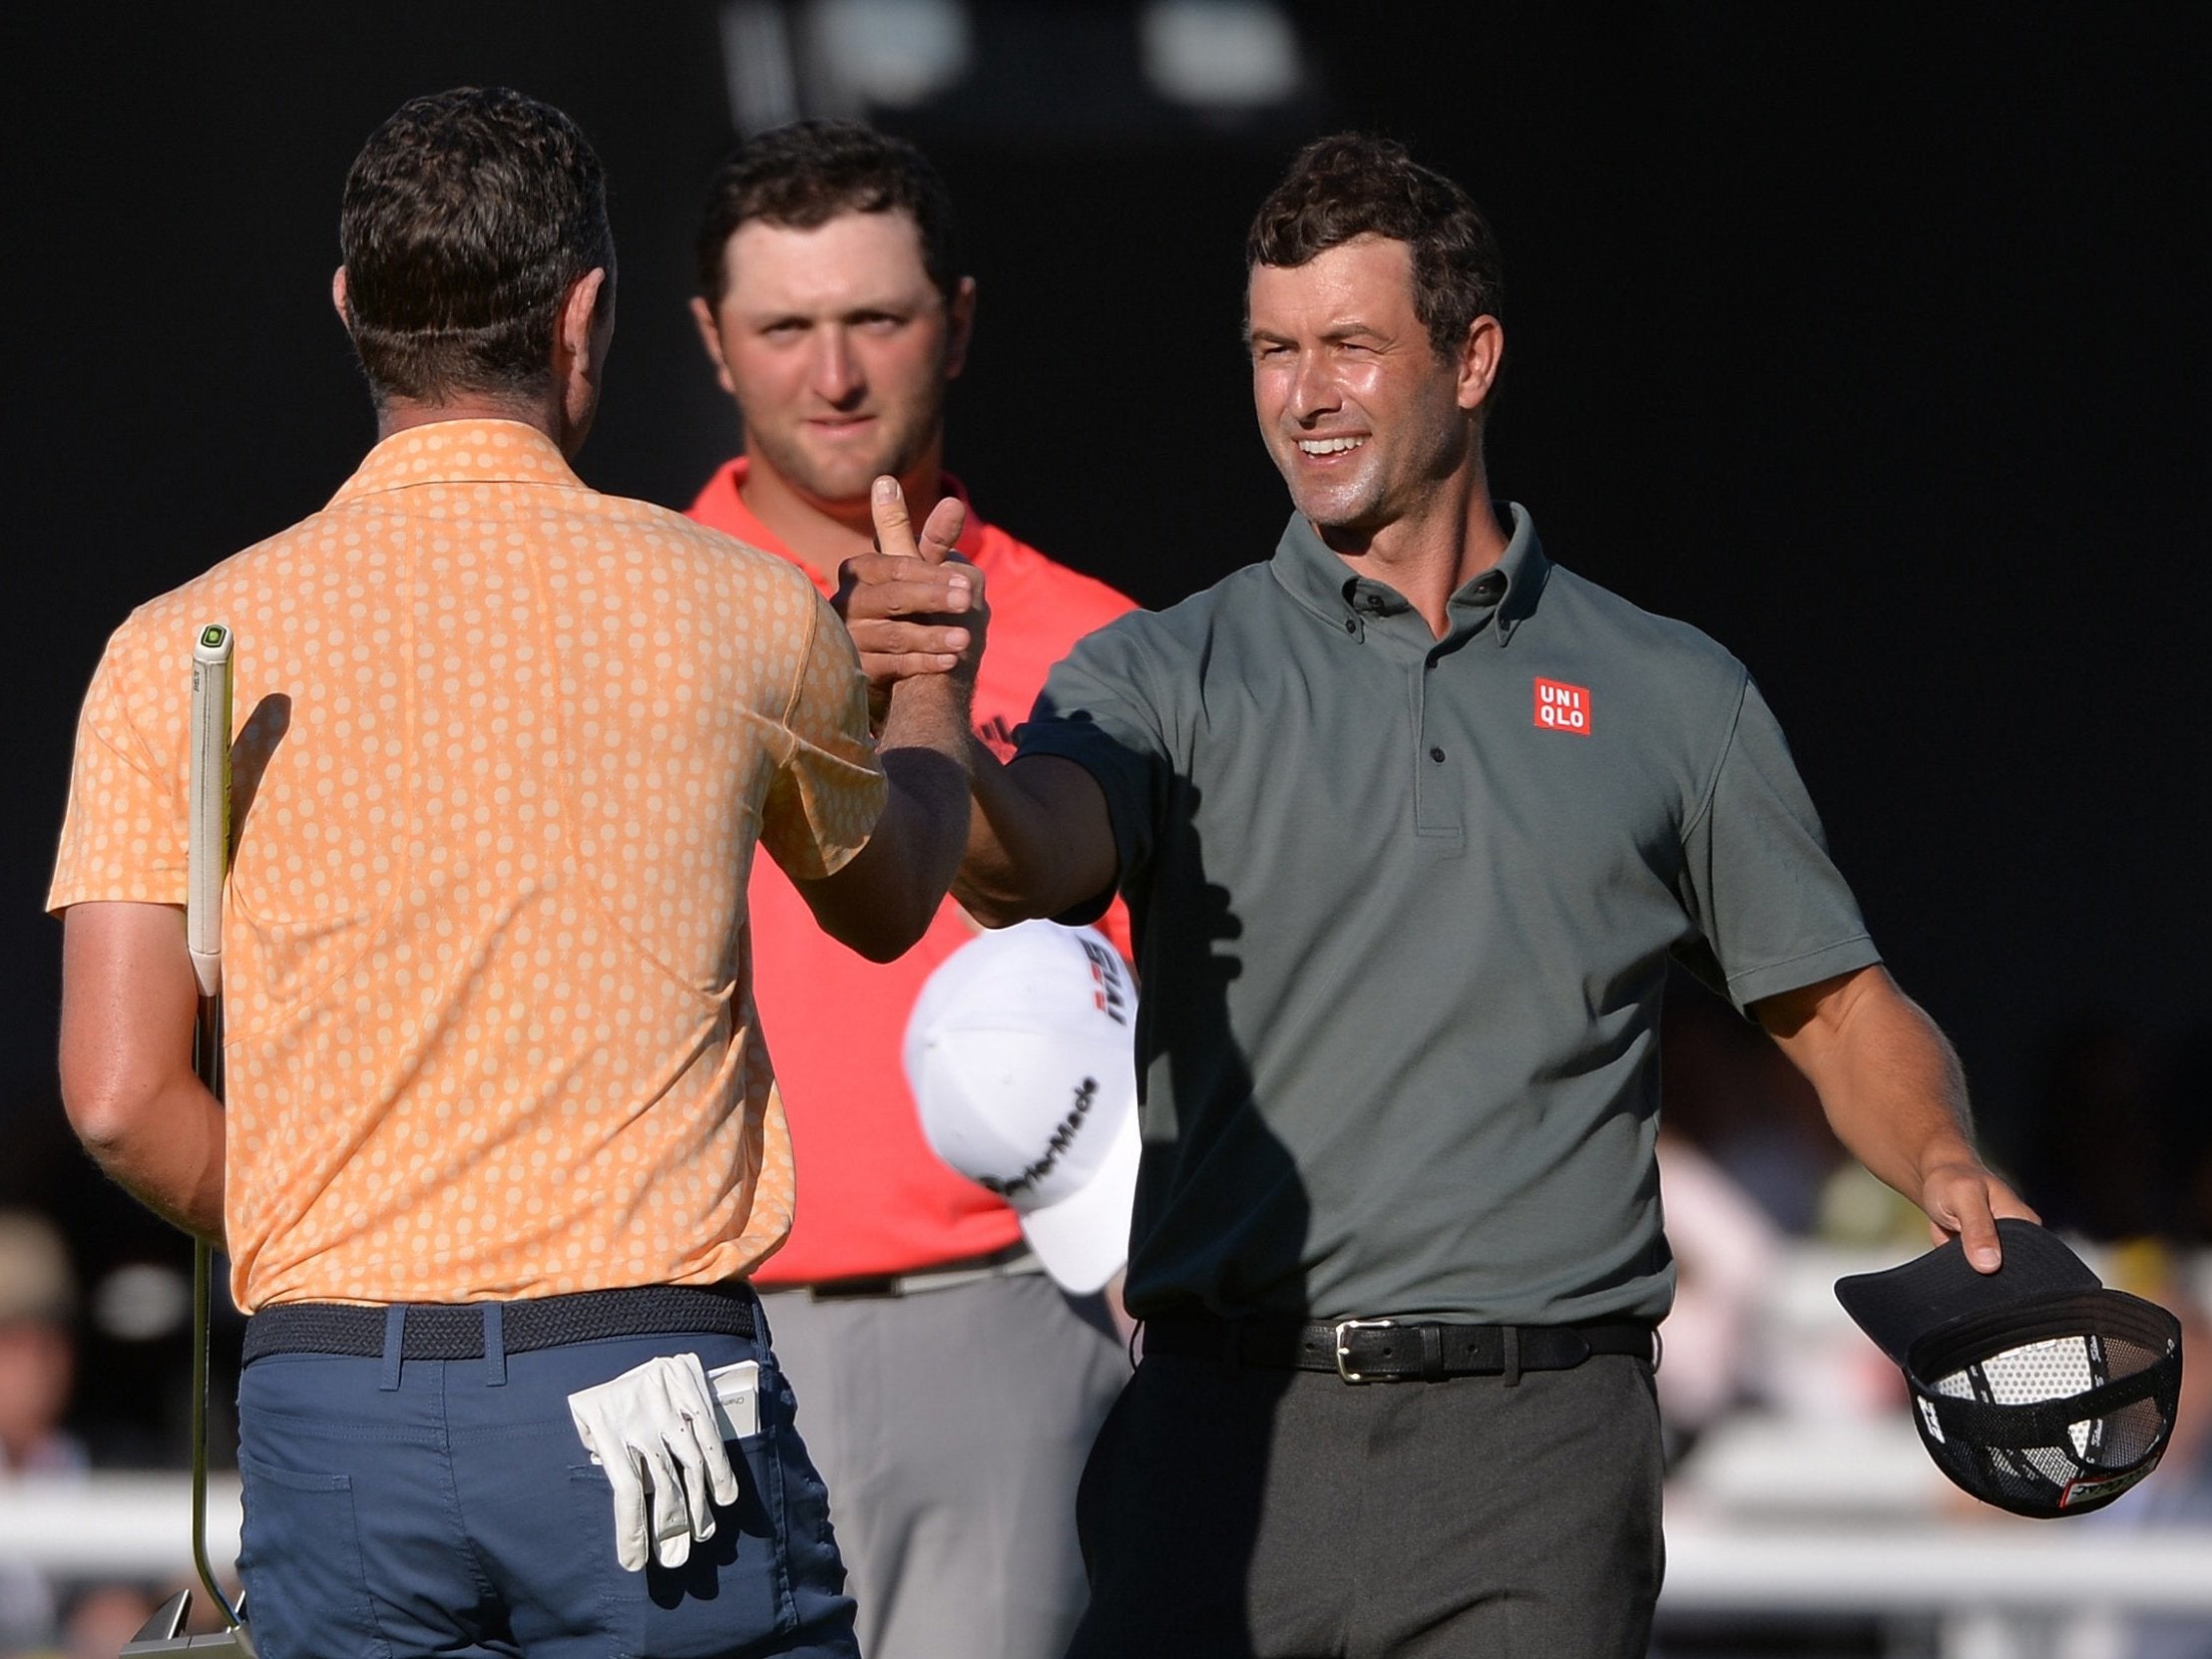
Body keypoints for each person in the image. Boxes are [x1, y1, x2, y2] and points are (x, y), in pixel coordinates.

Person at [848, 132, 2037, 1656]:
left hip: (1534, 1452)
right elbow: (1030, 860)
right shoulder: (1161, 669)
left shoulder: (1672, 694)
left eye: (1350, 343)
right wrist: (930, 706)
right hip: (1224, 1431)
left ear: (1471, 358)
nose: (1304, 393)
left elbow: (1832, 1003)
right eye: (1273, 349)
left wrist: (1941, 1154)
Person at [49, 87, 983, 1659]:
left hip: (335, 1401)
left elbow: (118, 1095)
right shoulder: (747, 611)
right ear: (585, 316)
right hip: (653, 1405)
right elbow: (890, 901)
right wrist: (931, 687)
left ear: (351, 311)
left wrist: (331, 1245)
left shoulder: (172, 646)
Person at [681, 120, 1134, 1659]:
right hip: (687, 1319)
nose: (834, 374)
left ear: (958, 316)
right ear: (708, 341)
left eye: (874, 318)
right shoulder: (616, 624)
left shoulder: (1103, 646)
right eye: (785, 327)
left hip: (1011, 1321)